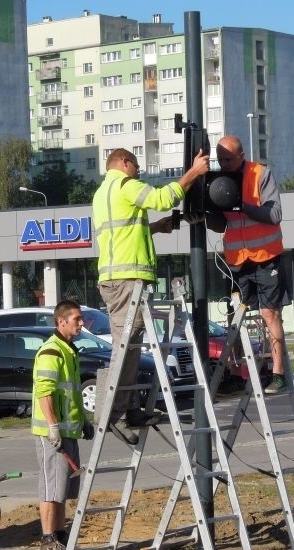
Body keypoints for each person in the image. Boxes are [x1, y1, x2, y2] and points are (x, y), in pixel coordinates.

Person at [93, 147, 210, 444]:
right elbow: (162, 198)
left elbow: (125, 232)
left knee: (130, 344)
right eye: (136, 165)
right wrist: (194, 172)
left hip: (116, 276)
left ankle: (128, 408)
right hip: (126, 278)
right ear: (123, 162)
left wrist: (155, 227)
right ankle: (115, 413)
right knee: (126, 345)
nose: (139, 171)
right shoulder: (125, 185)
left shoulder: (103, 193)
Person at [206, 135, 291, 395]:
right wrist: (209, 210)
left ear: (242, 156)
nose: (223, 164)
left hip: (266, 257)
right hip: (237, 260)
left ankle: (278, 374)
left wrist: (241, 205)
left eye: (228, 159)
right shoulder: (217, 181)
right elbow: (221, 225)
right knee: (235, 317)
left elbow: (274, 214)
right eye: (220, 159)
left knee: (269, 314)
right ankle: (234, 373)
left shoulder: (260, 174)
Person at [30, 299, 94, 550]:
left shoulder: (69, 350)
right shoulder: (51, 352)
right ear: (61, 321)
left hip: (68, 432)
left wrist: (83, 422)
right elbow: (45, 393)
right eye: (76, 319)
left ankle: (60, 535)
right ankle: (47, 539)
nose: (81, 323)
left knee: (63, 488)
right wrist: (53, 427)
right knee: (50, 486)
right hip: (52, 434)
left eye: (81, 319)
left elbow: (71, 394)